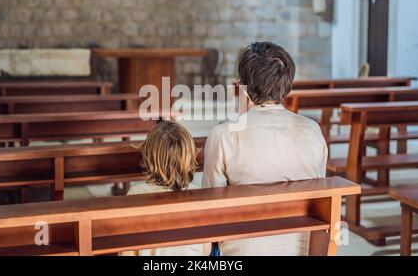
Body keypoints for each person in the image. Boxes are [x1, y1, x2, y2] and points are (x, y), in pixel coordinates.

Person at [202, 42, 328, 256]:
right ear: (287, 85)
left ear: (242, 86)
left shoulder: (223, 135)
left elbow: (211, 208)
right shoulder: (312, 130)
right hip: (304, 249)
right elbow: (319, 199)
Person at [122, 121, 210, 256]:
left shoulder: (136, 194)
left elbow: (127, 252)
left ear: (149, 156)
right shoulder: (199, 195)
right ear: (189, 156)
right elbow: (205, 250)